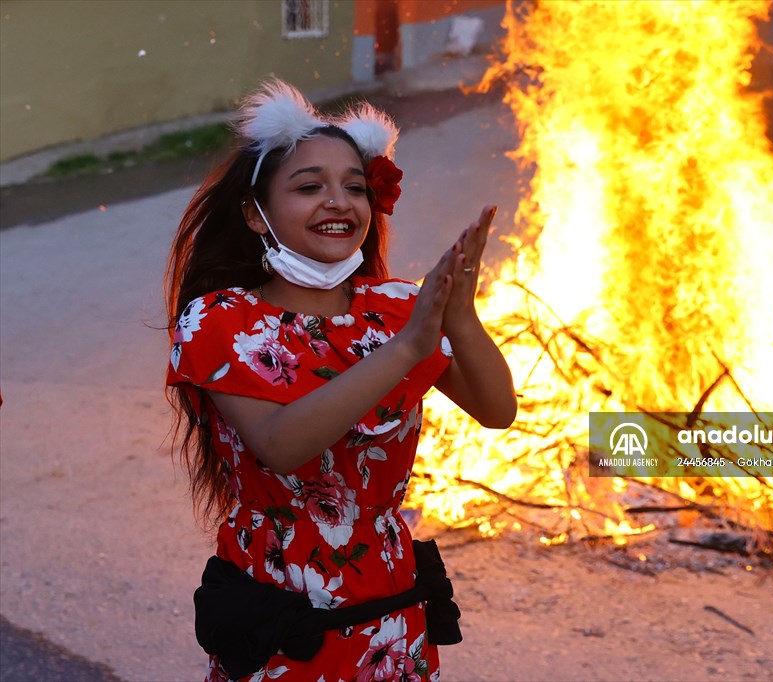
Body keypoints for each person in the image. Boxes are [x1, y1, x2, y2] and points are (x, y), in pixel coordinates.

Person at [165, 78, 516, 682]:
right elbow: (280, 445)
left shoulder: (398, 305)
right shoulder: (219, 318)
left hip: (392, 612)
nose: (339, 202)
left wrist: (458, 312)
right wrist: (408, 347)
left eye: (355, 187)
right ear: (255, 212)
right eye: (309, 187)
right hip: (279, 615)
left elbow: (497, 408)